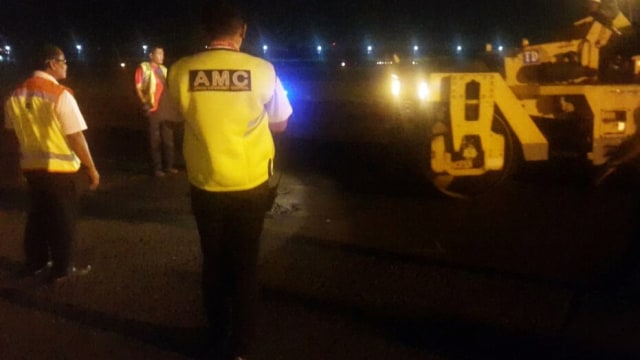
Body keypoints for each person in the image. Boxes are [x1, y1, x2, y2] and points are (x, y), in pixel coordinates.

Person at [168, 1, 292, 359]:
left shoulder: (182, 70)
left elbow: (170, 116)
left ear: (204, 32)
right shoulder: (263, 70)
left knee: (213, 260)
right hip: (251, 184)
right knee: (245, 262)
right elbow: (281, 122)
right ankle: (242, 344)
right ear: (242, 32)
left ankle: (216, 333)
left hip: (205, 184)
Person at [3, 44, 99, 284]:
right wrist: (91, 167)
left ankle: (35, 263)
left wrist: (19, 168)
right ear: (52, 63)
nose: (66, 65)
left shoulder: (15, 94)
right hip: (58, 170)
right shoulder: (59, 94)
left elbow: (14, 134)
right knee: (62, 220)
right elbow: (75, 136)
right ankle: (61, 269)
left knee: (36, 218)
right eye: (64, 61)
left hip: (31, 169)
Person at [134, 45, 179, 177]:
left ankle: (169, 166)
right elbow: (138, 87)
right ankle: (157, 168)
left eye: (163, 54)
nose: (162, 57)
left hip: (165, 109)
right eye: (159, 54)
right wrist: (144, 102)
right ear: (151, 55)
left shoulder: (164, 69)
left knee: (168, 139)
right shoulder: (144, 68)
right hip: (152, 109)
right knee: (155, 140)